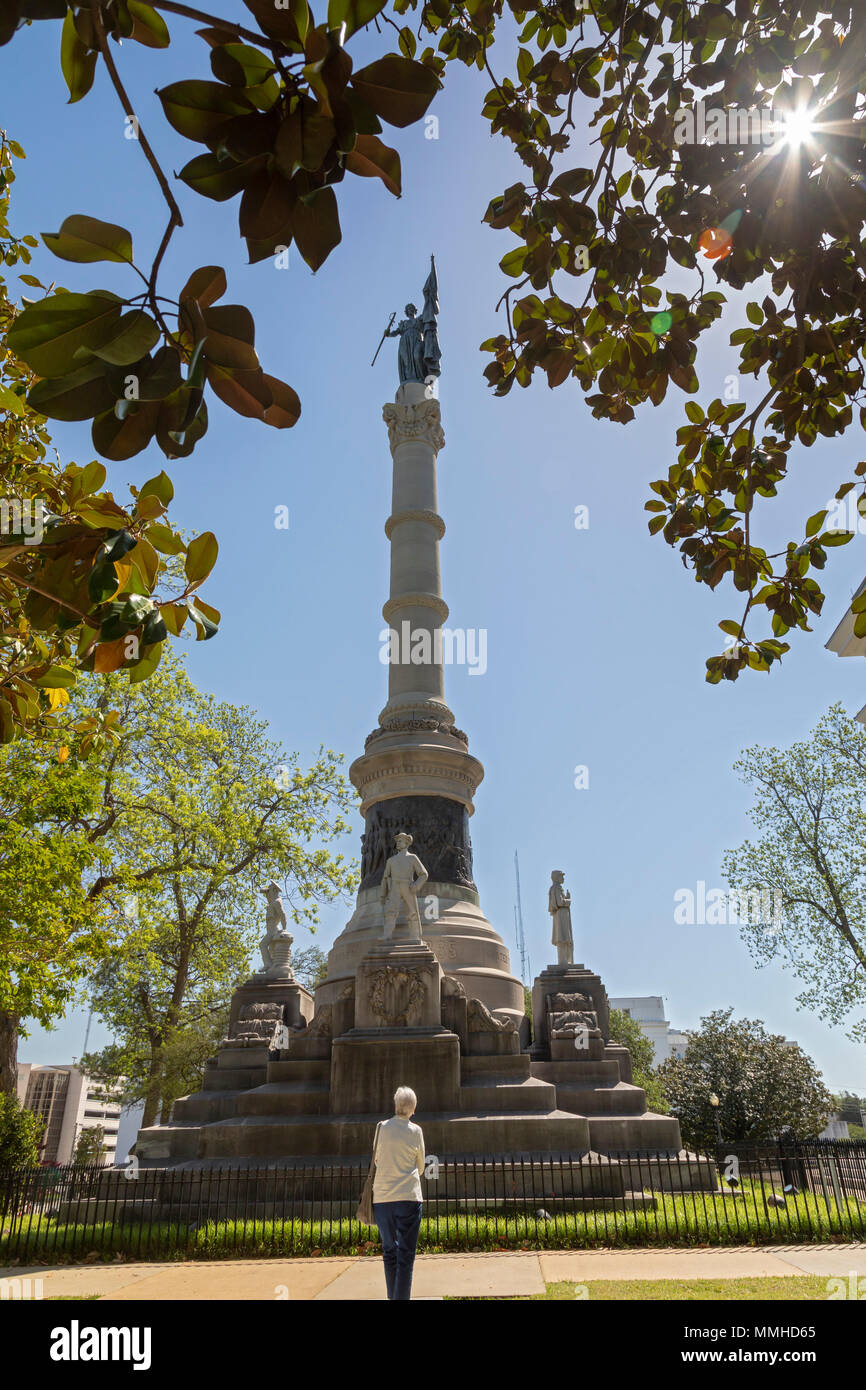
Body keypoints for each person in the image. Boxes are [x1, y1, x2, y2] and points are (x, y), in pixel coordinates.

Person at [372, 1086, 425, 1300]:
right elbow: (420, 1167)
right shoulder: (416, 1131)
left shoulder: (381, 1128)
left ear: (396, 1106)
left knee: (389, 1253)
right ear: (412, 1109)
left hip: (382, 1198)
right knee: (405, 1256)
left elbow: (376, 1160)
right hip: (408, 1197)